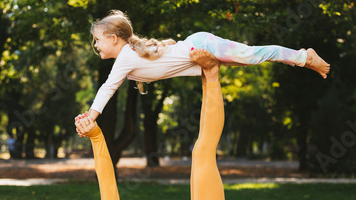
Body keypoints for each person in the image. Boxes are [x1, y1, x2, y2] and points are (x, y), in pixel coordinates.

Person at [46, 57, 230, 200]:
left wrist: (93, 132)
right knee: (202, 152)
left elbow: (103, 176)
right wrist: (95, 136)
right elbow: (107, 183)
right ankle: (211, 75)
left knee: (201, 151)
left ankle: (207, 74)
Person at [85, 10, 330, 122]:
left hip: (203, 45)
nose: (96, 45)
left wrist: (92, 115)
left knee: (251, 55)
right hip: (198, 47)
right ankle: (302, 60)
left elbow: (108, 88)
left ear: (114, 38)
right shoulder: (128, 58)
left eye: (97, 39)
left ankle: (304, 56)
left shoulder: (126, 57)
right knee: (247, 60)